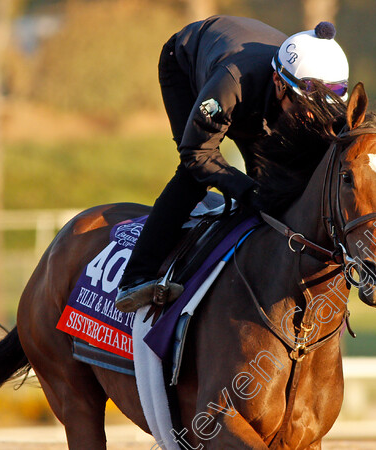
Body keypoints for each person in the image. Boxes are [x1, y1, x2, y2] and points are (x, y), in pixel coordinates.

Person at [115, 16, 350, 313]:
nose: (312, 118)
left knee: (275, 177)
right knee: (194, 175)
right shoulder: (232, 83)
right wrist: (250, 191)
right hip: (186, 64)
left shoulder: (304, 94)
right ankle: (137, 276)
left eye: (322, 110)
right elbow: (197, 154)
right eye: (305, 108)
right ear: (280, 83)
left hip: (256, 86)